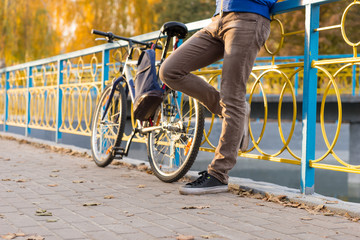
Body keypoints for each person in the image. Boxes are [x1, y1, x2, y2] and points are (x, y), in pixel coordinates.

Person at [159, 0, 278, 195]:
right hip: (218, 19)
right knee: (169, 70)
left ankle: (218, 175)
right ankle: (236, 113)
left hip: (248, 19)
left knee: (232, 95)